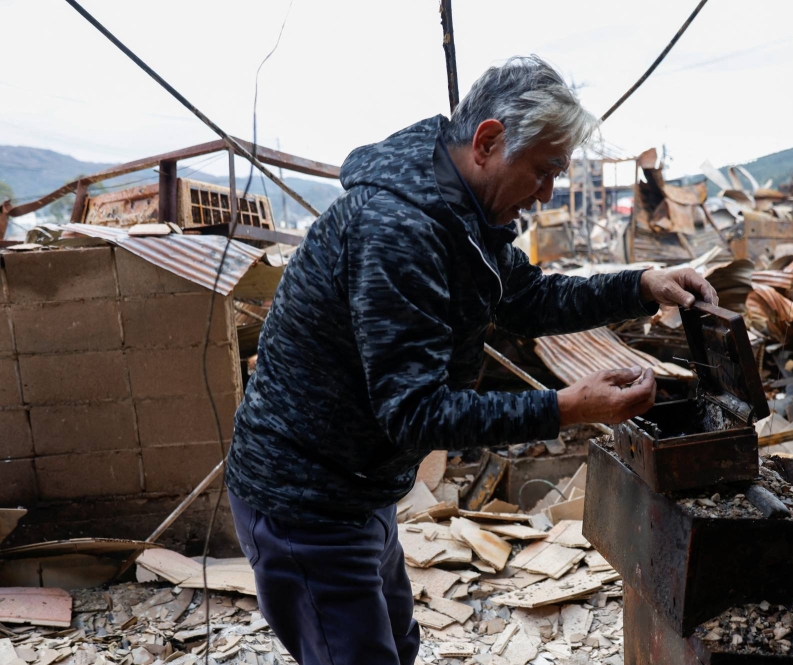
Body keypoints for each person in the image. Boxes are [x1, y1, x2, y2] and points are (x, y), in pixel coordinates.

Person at [224, 55, 717, 665]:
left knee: (395, 646)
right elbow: (416, 413)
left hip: (360, 489)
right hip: (306, 501)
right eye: (542, 172)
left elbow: (530, 299)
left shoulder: (460, 213)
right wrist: (567, 407)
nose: (546, 195)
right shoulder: (399, 229)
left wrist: (642, 283)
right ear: (488, 141)